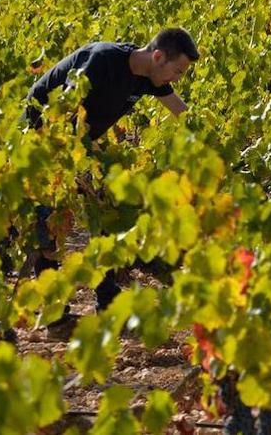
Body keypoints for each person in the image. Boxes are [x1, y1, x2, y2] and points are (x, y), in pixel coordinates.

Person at [21, 27, 199, 330]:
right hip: (42, 138)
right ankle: (55, 318)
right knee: (50, 226)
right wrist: (73, 165)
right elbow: (60, 114)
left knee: (108, 219)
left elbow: (183, 113)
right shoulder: (102, 61)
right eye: (178, 71)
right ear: (158, 56)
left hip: (82, 146)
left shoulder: (149, 78)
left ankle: (108, 305)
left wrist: (211, 148)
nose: (177, 78)